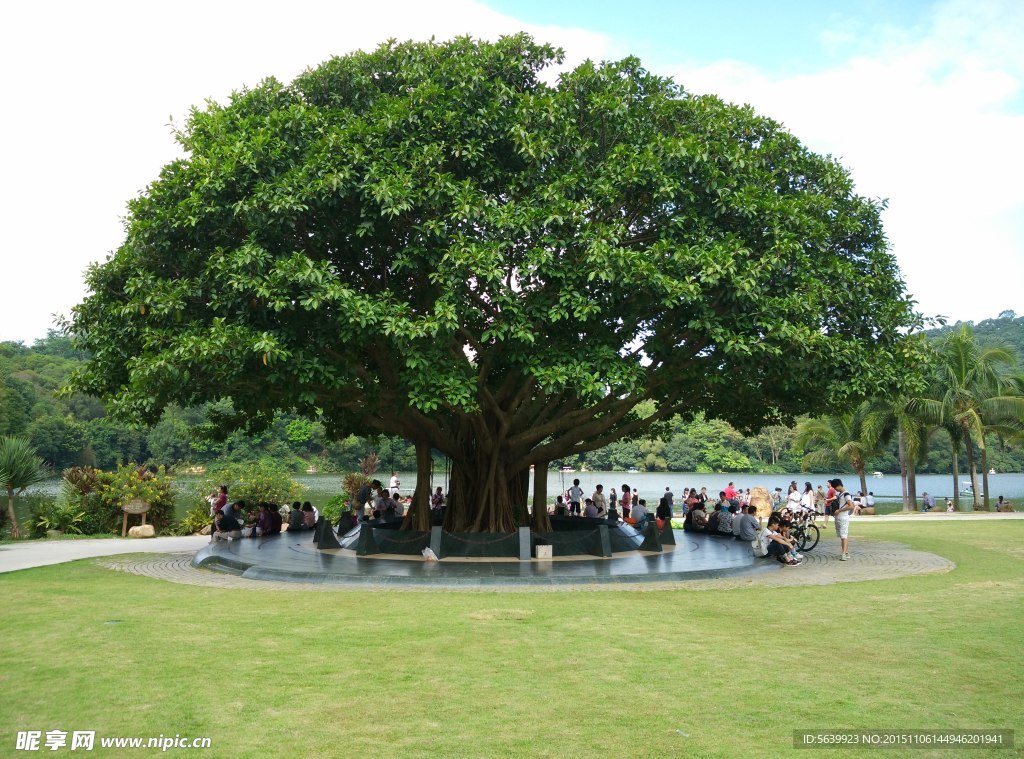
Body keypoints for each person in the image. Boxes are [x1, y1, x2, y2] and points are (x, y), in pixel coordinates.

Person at [831, 478, 855, 560]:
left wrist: (839, 510)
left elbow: (851, 506)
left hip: (843, 517)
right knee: (842, 536)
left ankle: (844, 554)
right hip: (839, 517)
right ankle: (846, 552)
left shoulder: (846, 494)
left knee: (844, 536)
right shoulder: (841, 494)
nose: (835, 489)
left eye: (835, 487)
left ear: (838, 485)